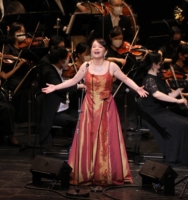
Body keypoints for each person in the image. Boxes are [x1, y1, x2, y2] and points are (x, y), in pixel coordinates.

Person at [42, 38, 148, 185]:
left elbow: (125, 79)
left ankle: (106, 173)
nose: (96, 49)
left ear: (105, 51)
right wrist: (55, 87)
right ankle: (86, 172)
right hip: (89, 106)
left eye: (99, 47)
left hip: (106, 107)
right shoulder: (85, 66)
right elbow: (73, 81)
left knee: (106, 139)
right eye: (93, 47)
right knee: (88, 138)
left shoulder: (112, 66)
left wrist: (137, 88)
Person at [140, 52, 188, 167]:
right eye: (160, 61)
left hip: (160, 111)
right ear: (154, 64)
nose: (162, 63)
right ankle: (174, 157)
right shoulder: (149, 79)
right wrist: (178, 101)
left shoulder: (159, 78)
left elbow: (170, 95)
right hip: (151, 114)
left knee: (186, 123)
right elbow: (156, 95)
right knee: (181, 125)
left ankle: (181, 156)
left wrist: (184, 84)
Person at [37, 47, 84, 146]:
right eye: (67, 59)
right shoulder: (49, 72)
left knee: (85, 116)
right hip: (54, 113)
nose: (68, 61)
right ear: (61, 61)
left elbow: (61, 83)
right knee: (79, 121)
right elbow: (59, 87)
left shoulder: (56, 69)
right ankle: (77, 148)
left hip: (64, 109)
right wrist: (78, 86)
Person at [106, 26, 138, 132]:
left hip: (122, 80)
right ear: (111, 38)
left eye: (121, 38)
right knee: (118, 95)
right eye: (116, 38)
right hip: (110, 81)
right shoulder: (106, 50)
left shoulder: (125, 50)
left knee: (132, 93)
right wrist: (117, 59)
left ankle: (130, 124)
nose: (119, 41)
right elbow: (103, 59)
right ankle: (116, 123)